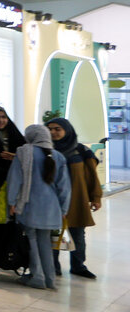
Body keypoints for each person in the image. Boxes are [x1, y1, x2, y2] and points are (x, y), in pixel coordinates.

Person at [7, 124, 70, 290]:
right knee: (45, 243)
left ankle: (37, 277)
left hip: (30, 205)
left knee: (32, 241)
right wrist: (64, 209)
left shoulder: (24, 152)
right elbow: (64, 187)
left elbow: (15, 179)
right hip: (51, 208)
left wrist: (12, 202)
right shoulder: (58, 156)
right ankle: (50, 279)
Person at [47, 118, 103, 279]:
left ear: (67, 130)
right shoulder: (45, 150)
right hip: (53, 201)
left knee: (78, 235)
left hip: (77, 200)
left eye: (57, 129)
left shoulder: (81, 151)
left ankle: (78, 266)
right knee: (53, 235)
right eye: (50, 129)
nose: (53, 132)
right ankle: (53, 267)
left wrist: (96, 197)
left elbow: (91, 176)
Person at [0, 106, 25, 268]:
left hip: (14, 184)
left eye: (4, 117)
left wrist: (15, 157)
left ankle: (10, 255)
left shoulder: (15, 136)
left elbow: (27, 156)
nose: (1, 120)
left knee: (12, 224)